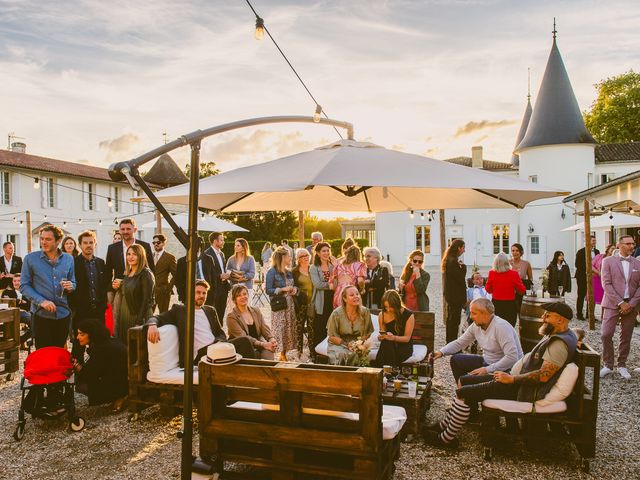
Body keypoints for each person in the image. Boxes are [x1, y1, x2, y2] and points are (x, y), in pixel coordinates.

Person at [424, 302, 578, 449]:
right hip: (514, 380)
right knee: (464, 381)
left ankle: (446, 439)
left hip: (520, 388)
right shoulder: (562, 335)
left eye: (547, 315)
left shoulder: (558, 344)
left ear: (560, 320)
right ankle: (446, 426)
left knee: (462, 391)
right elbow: (575, 333)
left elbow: (543, 376)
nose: (543, 318)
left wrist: (511, 378)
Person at [146, 280, 255, 367]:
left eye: (204, 293)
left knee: (244, 342)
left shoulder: (210, 310)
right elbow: (157, 318)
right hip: (200, 355)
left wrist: (219, 342)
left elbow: (220, 333)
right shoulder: (180, 310)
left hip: (216, 348)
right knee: (242, 344)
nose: (202, 296)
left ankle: (252, 377)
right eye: (198, 292)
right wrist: (152, 325)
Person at [430, 298, 522, 382]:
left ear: (485, 313)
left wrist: (487, 370)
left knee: (468, 381)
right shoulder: (476, 326)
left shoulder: (501, 327)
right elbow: (459, 343)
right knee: (456, 360)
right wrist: (441, 352)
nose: (470, 317)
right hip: (487, 362)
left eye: (474, 313)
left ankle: (467, 391)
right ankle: (464, 391)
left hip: (505, 371)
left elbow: (512, 357)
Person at [21, 225, 76, 349]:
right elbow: (24, 286)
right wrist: (42, 301)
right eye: (42, 239)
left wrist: (71, 286)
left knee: (58, 352)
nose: (43, 242)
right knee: (43, 354)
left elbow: (73, 282)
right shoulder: (30, 259)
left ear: (58, 241)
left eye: (48, 239)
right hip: (41, 315)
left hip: (63, 313)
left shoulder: (69, 259)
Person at [600, 235, 640, 380]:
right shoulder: (607, 261)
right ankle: (608, 365)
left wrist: (631, 303)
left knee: (626, 336)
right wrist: (620, 302)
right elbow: (606, 284)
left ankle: (622, 365)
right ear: (619, 245)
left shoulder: (638, 263)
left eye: (633, 244)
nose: (631, 246)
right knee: (606, 334)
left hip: (631, 305)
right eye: (628, 244)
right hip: (612, 303)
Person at [69, 230, 108, 362]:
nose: (88, 245)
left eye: (91, 242)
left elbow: (104, 285)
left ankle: (97, 377)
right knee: (78, 346)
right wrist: (74, 308)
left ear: (95, 244)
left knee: (99, 345)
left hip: (98, 311)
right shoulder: (73, 263)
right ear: (79, 245)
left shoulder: (101, 263)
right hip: (81, 312)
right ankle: (78, 378)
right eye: (85, 243)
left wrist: (103, 305)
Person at [73, 318, 128, 411]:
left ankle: (120, 396)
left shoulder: (101, 348)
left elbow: (89, 374)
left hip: (121, 383)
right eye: (78, 334)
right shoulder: (106, 342)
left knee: (80, 385)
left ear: (91, 335)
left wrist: (76, 365)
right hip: (122, 379)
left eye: (82, 334)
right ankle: (118, 396)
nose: (78, 337)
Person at [105, 218, 155, 304]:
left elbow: (151, 269)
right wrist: (110, 289)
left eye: (128, 229)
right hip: (119, 293)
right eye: (122, 229)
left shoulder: (145, 246)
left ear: (135, 229)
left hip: (140, 293)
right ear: (119, 230)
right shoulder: (112, 248)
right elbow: (108, 272)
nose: (125, 231)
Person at [112, 244, 155, 343]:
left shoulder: (146, 274)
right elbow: (132, 288)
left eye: (134, 254)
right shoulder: (129, 272)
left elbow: (147, 300)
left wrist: (139, 321)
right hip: (125, 313)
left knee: (137, 346)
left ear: (141, 256)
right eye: (128, 254)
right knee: (125, 344)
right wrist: (119, 286)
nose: (130, 257)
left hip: (137, 314)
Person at [227, 284, 276, 360]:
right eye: (239, 295)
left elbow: (264, 328)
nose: (243, 297)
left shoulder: (256, 310)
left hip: (259, 343)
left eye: (244, 294)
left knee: (268, 355)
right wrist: (263, 344)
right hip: (243, 347)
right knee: (255, 358)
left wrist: (271, 339)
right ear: (234, 299)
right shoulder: (231, 317)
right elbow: (243, 337)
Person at [327, 285, 374, 365]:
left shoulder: (365, 312)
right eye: (352, 295)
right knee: (342, 354)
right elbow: (331, 337)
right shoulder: (336, 314)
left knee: (358, 355)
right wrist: (347, 344)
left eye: (357, 294)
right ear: (345, 299)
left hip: (358, 344)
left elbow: (368, 333)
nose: (356, 296)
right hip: (340, 343)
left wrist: (358, 344)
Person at [266, 246, 298, 361]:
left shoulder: (289, 272)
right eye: (288, 256)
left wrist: (294, 289)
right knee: (280, 329)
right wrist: (282, 289)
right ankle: (280, 353)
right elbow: (268, 290)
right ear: (283, 257)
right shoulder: (272, 272)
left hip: (290, 304)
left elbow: (294, 286)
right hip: (279, 304)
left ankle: (284, 353)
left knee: (288, 329)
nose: (290, 258)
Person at [373, 290, 415, 367]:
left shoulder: (408, 315)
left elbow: (407, 338)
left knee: (387, 344)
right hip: (388, 344)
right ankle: (390, 372)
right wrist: (382, 337)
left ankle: (381, 371)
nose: (388, 309)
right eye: (386, 307)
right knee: (386, 343)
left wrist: (393, 338)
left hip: (403, 346)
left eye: (391, 307)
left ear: (397, 304)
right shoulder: (382, 315)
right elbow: (383, 334)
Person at [485, 252, 526, 327]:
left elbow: (488, 289)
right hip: (510, 304)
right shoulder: (514, 274)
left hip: (496, 304)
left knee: (496, 327)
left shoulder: (492, 273)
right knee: (509, 327)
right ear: (507, 262)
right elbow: (522, 290)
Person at [310, 242, 336, 357]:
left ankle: (330, 353)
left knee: (332, 326)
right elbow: (317, 284)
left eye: (327, 250)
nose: (326, 253)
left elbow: (338, 279)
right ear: (318, 253)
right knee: (320, 327)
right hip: (321, 300)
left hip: (333, 298)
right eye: (323, 251)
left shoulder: (333, 266)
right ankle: (317, 354)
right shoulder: (314, 267)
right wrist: (330, 285)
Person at [442, 239, 467, 343]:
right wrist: (463, 267)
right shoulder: (453, 261)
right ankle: (452, 343)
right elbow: (460, 278)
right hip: (455, 295)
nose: (464, 250)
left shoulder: (450, 259)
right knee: (454, 320)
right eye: (463, 248)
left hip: (451, 294)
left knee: (451, 319)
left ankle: (450, 341)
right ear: (458, 248)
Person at [204, 232, 231, 325]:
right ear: (215, 241)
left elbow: (222, 268)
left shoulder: (222, 254)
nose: (223, 242)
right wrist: (219, 276)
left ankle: (220, 335)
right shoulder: (207, 254)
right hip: (213, 289)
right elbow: (207, 273)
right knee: (212, 314)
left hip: (223, 288)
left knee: (221, 313)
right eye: (222, 240)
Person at [330, 244, 366, 309]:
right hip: (351, 293)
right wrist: (362, 289)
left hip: (338, 294)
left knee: (339, 316)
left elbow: (332, 287)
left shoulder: (338, 266)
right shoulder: (359, 265)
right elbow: (360, 280)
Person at [292, 248, 313, 354]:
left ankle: (312, 352)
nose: (306, 257)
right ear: (298, 259)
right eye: (302, 256)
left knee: (311, 329)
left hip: (312, 304)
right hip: (300, 304)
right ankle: (299, 352)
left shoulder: (313, 269)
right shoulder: (294, 271)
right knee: (299, 328)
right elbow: (293, 287)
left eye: (307, 255)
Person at [575, 236, 599, 320]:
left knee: (591, 296)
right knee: (581, 295)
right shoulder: (581, 252)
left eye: (595, 240)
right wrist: (588, 270)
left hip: (593, 277)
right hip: (582, 276)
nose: (594, 242)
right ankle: (579, 314)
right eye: (593, 240)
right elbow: (577, 264)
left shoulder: (597, 252)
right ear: (587, 241)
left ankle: (590, 314)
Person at [151, 234, 177, 314]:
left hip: (163, 291)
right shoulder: (149, 256)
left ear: (164, 243)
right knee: (148, 315)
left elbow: (176, 275)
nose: (156, 244)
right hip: (150, 291)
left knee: (163, 315)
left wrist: (168, 288)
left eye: (158, 242)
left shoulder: (170, 257)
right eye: (154, 243)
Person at [510, 243, 533, 319]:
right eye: (513, 250)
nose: (515, 252)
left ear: (521, 252)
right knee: (511, 314)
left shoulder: (526, 264)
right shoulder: (507, 263)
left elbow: (530, 279)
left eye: (517, 250)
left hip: (521, 292)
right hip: (509, 292)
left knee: (521, 314)